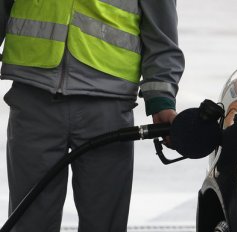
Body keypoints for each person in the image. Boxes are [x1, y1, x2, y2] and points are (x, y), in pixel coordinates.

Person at [0, 0, 184, 231]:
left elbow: (162, 38)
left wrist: (162, 101)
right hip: (34, 97)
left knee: (104, 224)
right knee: (29, 224)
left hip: (108, 109)